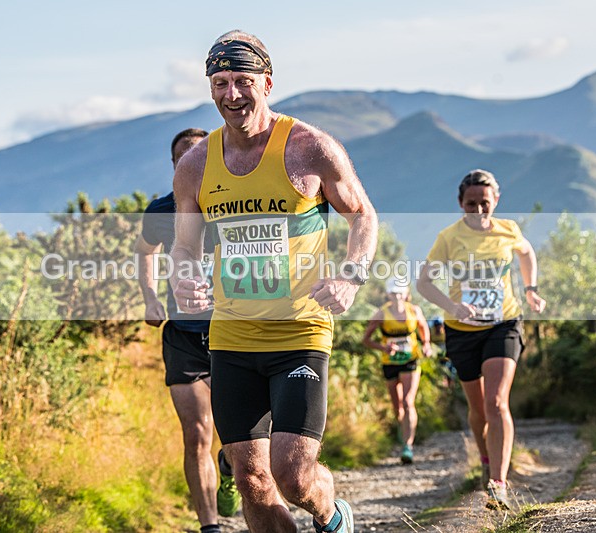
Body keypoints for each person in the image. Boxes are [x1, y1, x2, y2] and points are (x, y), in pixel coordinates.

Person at [170, 30, 378, 533]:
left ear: (267, 83)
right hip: (232, 336)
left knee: (293, 474)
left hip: (299, 332)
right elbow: (184, 247)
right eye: (221, 83)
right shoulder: (195, 165)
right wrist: (181, 277)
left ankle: (332, 515)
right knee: (250, 479)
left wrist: (351, 275)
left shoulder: (310, 148)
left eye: (243, 81)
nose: (232, 94)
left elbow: (362, 216)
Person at [416, 169, 546, 510]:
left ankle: (498, 484)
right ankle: (486, 458)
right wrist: (453, 307)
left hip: (503, 322)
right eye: (471, 203)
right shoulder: (449, 237)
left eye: (484, 202)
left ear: (496, 201)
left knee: (497, 402)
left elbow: (526, 253)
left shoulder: (508, 229)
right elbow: (424, 283)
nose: (478, 209)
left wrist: (530, 289)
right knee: (478, 409)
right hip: (462, 330)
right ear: (460, 203)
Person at [137, 128, 240, 533]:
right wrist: (150, 297)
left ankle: (231, 466)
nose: (192, 162)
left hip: (233, 330)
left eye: (201, 154)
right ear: (174, 165)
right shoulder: (161, 210)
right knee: (197, 433)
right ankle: (210, 526)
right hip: (183, 334)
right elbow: (145, 251)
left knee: (239, 436)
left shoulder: (235, 201)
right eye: (184, 157)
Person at [362, 277, 432, 464]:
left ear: (406, 294)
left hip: (410, 359)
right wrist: (383, 348)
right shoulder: (381, 314)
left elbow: (423, 328)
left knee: (408, 402)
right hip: (390, 362)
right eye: (394, 293)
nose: (398, 296)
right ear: (388, 294)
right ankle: (404, 433)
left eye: (400, 293)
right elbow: (366, 340)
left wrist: (426, 344)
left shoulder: (414, 311)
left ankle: (408, 446)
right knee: (398, 407)